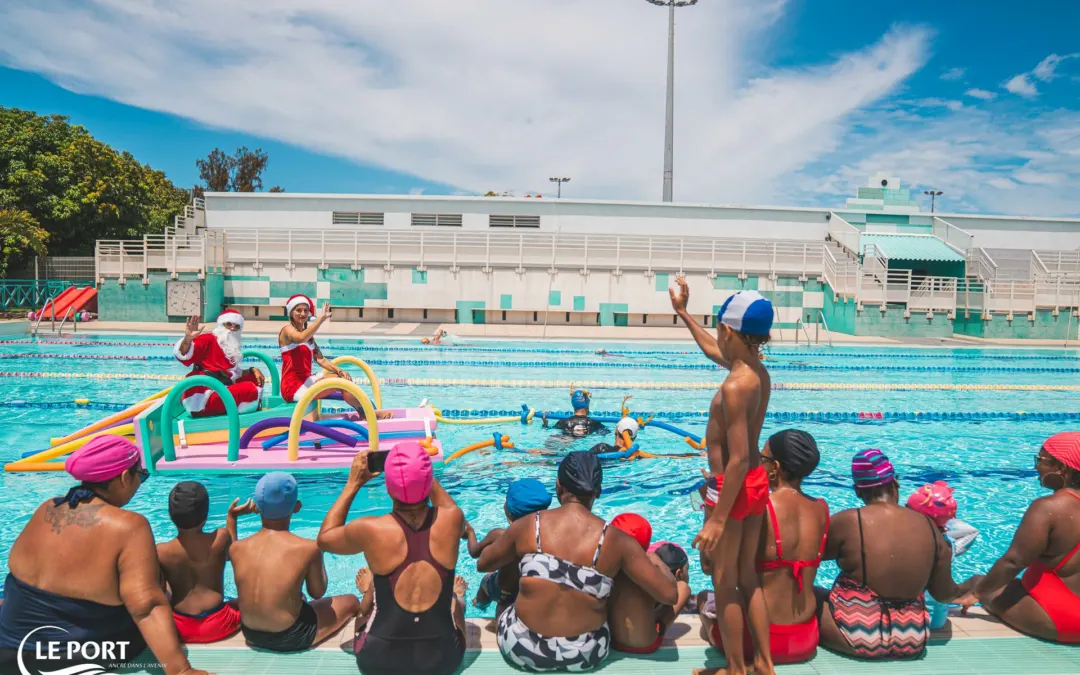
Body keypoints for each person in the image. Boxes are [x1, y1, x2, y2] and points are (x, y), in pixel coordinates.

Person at [0, 437, 211, 675]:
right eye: (140, 476)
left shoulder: (47, 508)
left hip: (8, 650)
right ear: (124, 478)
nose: (139, 483)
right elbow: (147, 607)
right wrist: (181, 670)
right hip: (71, 659)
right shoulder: (130, 526)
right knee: (160, 589)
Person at [477, 451, 678, 672]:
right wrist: (655, 562)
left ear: (558, 486)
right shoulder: (618, 542)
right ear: (598, 492)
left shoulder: (528, 525)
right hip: (585, 655)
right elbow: (669, 595)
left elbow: (483, 564)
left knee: (507, 596)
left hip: (522, 650)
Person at [670, 276, 775, 675]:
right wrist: (683, 313)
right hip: (753, 484)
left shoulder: (735, 385)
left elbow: (738, 458)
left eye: (719, 329)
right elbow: (716, 350)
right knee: (748, 578)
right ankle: (763, 665)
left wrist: (716, 517)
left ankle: (735, 669)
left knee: (724, 582)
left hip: (730, 487)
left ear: (729, 329)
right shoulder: (754, 371)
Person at [317, 443, 469, 675]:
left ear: (388, 487)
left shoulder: (371, 529)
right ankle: (459, 598)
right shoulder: (453, 519)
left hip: (378, 661)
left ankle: (369, 590)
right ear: (429, 482)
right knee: (456, 606)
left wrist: (353, 484)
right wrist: (419, 472)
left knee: (362, 618)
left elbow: (324, 539)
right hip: (442, 660)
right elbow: (447, 506)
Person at [817, 449, 967, 660]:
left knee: (811, 594)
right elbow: (944, 594)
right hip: (912, 638)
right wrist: (970, 587)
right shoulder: (928, 526)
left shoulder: (848, 521)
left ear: (858, 491)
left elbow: (809, 559)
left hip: (856, 636)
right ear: (895, 482)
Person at [699, 429, 828, 666]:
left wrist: (712, 507)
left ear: (775, 467)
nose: (758, 463)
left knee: (703, 598)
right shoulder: (822, 509)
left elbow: (709, 564)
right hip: (805, 640)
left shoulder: (760, 508)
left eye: (762, 458)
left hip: (758, 641)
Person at [956, 432, 1080, 643]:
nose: (1036, 467)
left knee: (976, 582)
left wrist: (977, 594)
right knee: (1006, 583)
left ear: (1061, 468)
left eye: (1040, 460)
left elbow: (1013, 561)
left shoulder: (1049, 508)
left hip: (1066, 620)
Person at [231, 472, 360, 652]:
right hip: (291, 636)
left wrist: (232, 519)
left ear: (257, 507)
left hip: (250, 634)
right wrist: (319, 552)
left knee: (296, 598)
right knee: (352, 601)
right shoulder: (307, 548)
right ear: (297, 507)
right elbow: (317, 592)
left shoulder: (237, 548)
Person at [157, 481, 258, 643]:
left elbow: (159, 592)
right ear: (206, 515)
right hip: (220, 623)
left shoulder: (161, 552)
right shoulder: (220, 538)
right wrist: (232, 517)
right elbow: (231, 553)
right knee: (249, 601)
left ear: (170, 516)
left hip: (180, 628)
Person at [278, 294, 389, 420]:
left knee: (345, 379)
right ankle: (369, 415)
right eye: (298, 310)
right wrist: (321, 319)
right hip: (293, 387)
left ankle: (365, 413)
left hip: (306, 380)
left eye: (306, 310)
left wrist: (339, 370)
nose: (303, 314)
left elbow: (320, 359)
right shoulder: (287, 331)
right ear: (291, 312)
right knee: (342, 383)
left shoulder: (309, 338)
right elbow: (300, 338)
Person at [466, 479, 554, 624]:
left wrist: (470, 533)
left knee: (486, 581)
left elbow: (477, 557)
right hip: (537, 593)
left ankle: (479, 605)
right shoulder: (551, 538)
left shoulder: (500, 535)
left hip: (505, 594)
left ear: (508, 511)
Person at [608, 514, 692, 655]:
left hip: (612, 641)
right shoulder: (646, 569)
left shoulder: (606, 564)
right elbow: (672, 596)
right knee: (683, 587)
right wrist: (657, 561)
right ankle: (661, 626)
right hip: (646, 645)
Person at [906, 481, 979, 630]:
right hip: (936, 619)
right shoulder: (948, 544)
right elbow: (971, 531)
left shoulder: (902, 542)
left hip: (909, 619)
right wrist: (946, 521)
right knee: (977, 580)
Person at [175, 310, 264, 417]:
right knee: (250, 389)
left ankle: (233, 409)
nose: (232, 328)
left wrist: (252, 370)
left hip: (220, 390)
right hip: (202, 398)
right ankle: (238, 411)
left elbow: (232, 373)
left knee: (255, 379)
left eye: (236, 326)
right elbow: (183, 355)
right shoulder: (207, 339)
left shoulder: (231, 347)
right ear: (221, 325)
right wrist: (187, 340)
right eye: (229, 324)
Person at [542, 387, 607, 438]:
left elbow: (547, 429)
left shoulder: (563, 422)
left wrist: (545, 423)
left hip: (565, 441)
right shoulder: (594, 423)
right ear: (587, 404)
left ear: (573, 404)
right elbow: (606, 433)